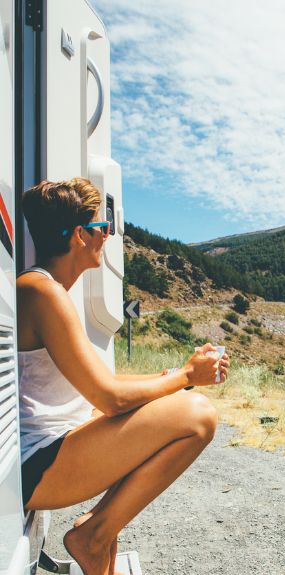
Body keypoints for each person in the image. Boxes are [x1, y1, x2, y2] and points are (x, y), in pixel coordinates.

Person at [17, 178, 229, 575]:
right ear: (80, 236)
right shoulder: (42, 292)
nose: (107, 237)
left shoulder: (47, 290)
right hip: (37, 465)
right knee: (198, 415)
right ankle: (91, 537)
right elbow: (109, 398)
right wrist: (187, 375)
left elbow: (101, 387)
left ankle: (98, 539)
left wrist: (179, 374)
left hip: (51, 452)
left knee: (168, 407)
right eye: (102, 228)